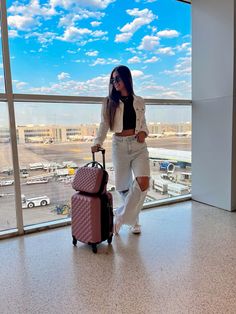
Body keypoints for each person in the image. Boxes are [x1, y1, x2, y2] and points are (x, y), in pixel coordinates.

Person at [91, 65, 150, 235]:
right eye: (112, 80)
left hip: (138, 145)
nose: (115, 82)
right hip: (119, 145)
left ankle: (121, 217)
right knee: (124, 187)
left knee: (143, 182)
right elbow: (104, 124)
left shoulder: (139, 100)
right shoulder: (109, 101)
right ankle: (134, 221)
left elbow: (143, 122)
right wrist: (97, 142)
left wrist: (144, 133)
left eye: (117, 78)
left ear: (127, 79)